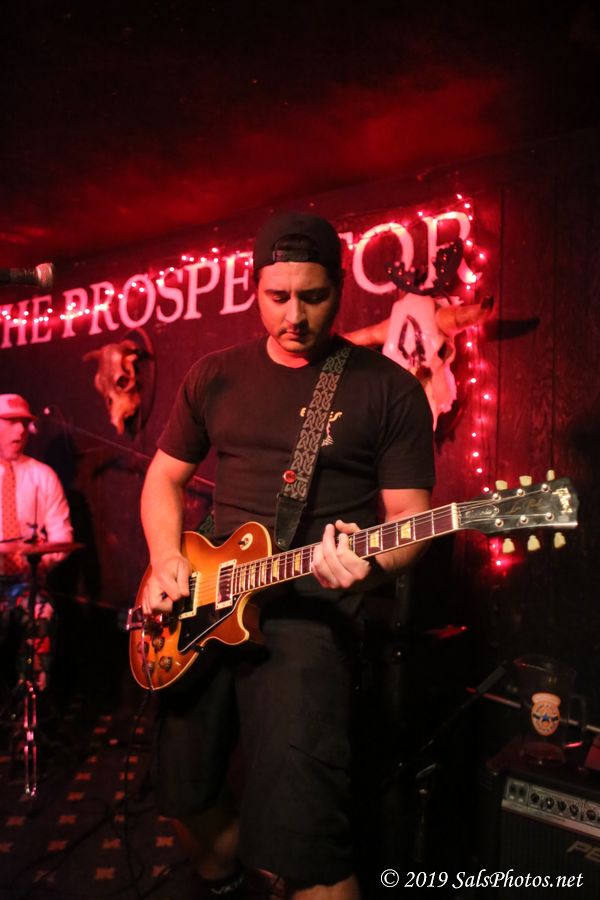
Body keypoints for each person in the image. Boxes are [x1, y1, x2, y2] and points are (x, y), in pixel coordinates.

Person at [140, 211, 435, 899]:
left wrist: (371, 563)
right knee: (182, 793)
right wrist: (164, 557)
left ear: (340, 289)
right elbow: (163, 479)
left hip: (308, 617)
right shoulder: (214, 375)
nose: (294, 316)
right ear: (255, 288)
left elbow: (412, 523)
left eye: (313, 297)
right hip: (203, 602)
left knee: (307, 850)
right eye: (278, 297)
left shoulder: (386, 388)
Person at [0, 393, 73, 689]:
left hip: (25, 582)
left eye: (23, 423)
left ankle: (28, 698)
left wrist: (39, 559)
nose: (20, 430)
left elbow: (62, 537)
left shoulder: (43, 476)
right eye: (10, 422)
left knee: (43, 613)